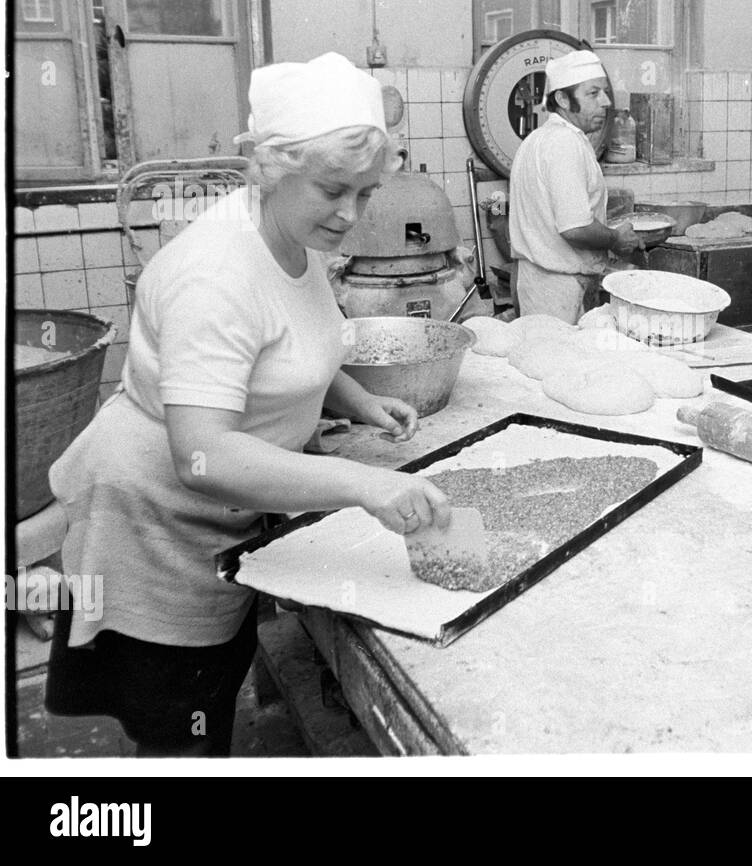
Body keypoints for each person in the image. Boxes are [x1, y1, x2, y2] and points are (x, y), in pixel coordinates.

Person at [43, 52, 453, 757]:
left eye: (367, 192)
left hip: (225, 520)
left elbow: (291, 347)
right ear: (269, 166)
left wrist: (359, 402)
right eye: (334, 190)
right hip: (157, 534)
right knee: (183, 724)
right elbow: (204, 455)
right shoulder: (216, 275)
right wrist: (366, 486)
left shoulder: (293, 235)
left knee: (217, 691)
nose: (352, 215)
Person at [508, 49, 639, 323]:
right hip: (558, 291)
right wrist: (616, 239)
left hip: (537, 281)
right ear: (562, 99)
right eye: (592, 93)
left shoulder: (538, 139)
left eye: (604, 93)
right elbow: (575, 228)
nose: (605, 102)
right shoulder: (564, 144)